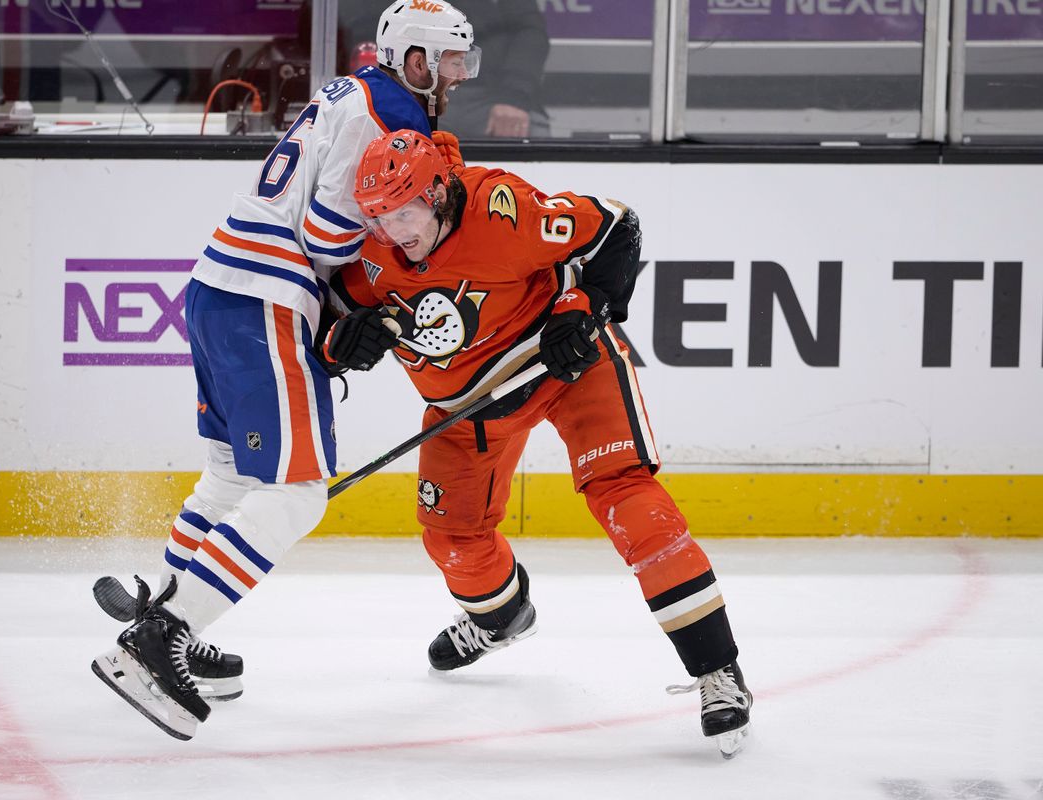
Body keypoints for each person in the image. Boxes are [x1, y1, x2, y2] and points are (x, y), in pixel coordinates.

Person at [89, 2, 480, 742]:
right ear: (417, 60)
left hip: (220, 284)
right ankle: (158, 638)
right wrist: (354, 310)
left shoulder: (354, 89)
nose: (458, 76)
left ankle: (174, 618)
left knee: (234, 476)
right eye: (450, 62)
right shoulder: (391, 113)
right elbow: (331, 231)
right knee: (299, 493)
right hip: (267, 297)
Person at [321, 129, 753, 758]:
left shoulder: (504, 211)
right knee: (452, 539)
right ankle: (500, 620)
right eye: (380, 217)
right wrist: (343, 342)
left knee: (629, 501)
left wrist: (585, 307)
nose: (394, 230)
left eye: (405, 210)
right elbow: (327, 327)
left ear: (438, 192)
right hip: (465, 409)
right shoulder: (369, 253)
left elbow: (617, 227)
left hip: (565, 370)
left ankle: (718, 670)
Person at [337, 0, 549, 139]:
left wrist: (514, 97)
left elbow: (530, 32)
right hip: (412, 88)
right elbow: (357, 27)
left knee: (536, 134)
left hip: (490, 94)